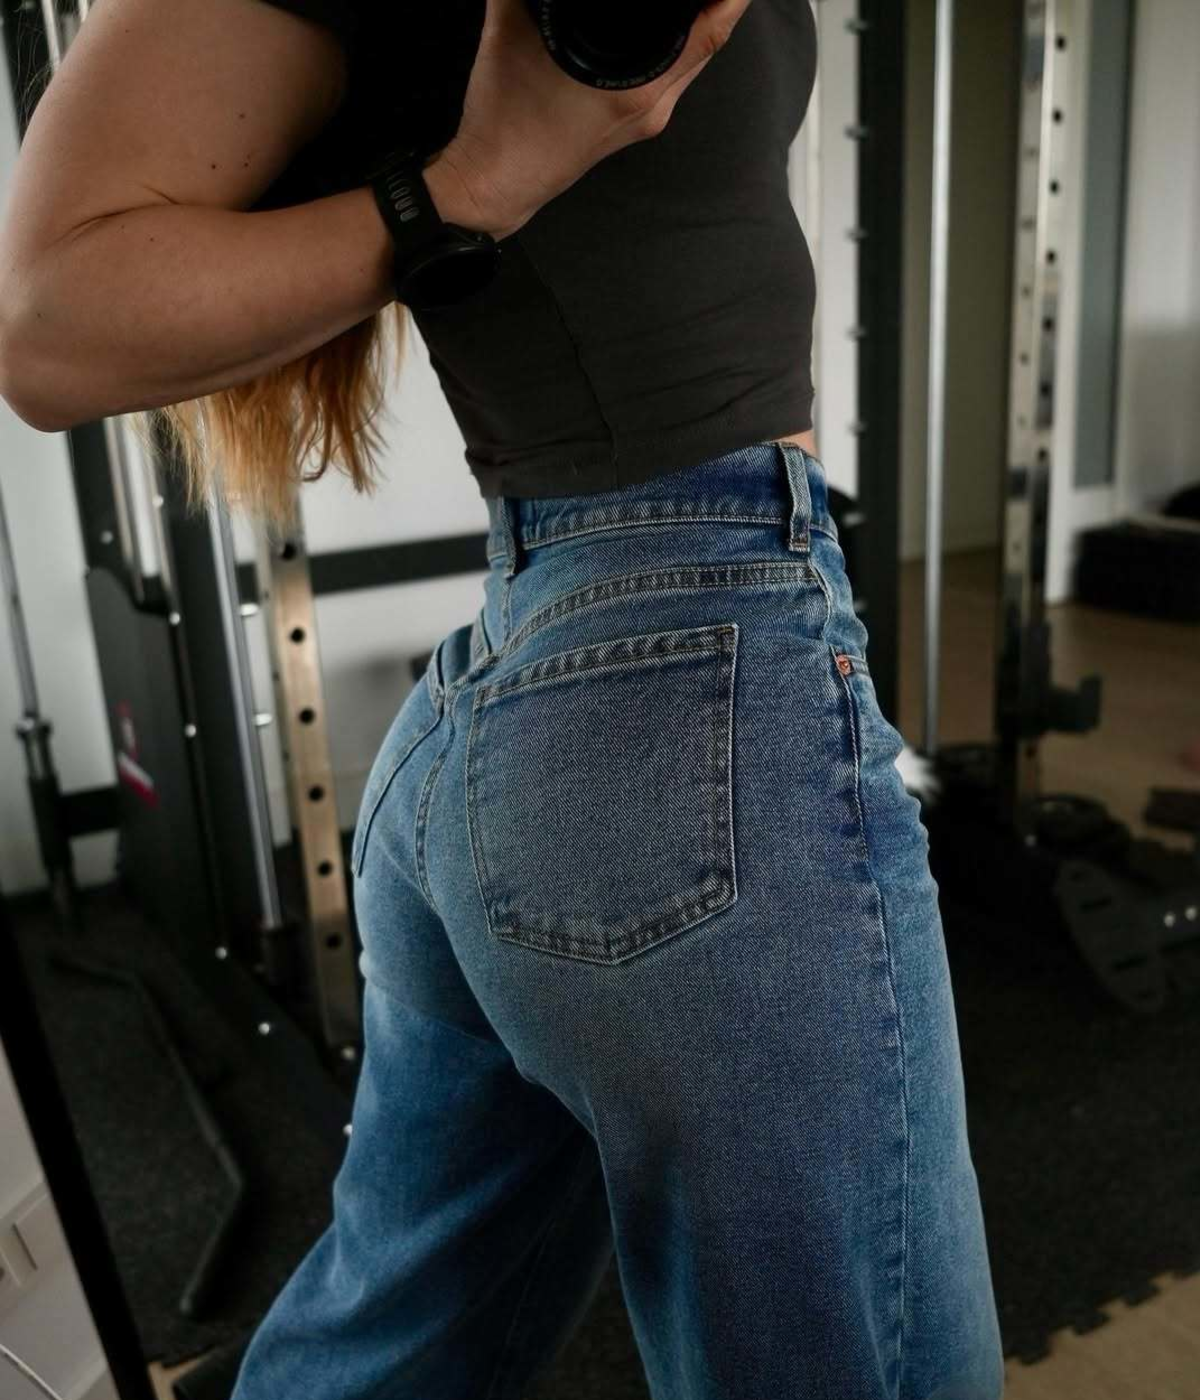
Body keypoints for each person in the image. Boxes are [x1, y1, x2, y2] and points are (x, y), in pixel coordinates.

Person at [0, 1, 1005, 1395]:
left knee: (391, 1343)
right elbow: (47, 324)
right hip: (689, 692)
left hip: (565, 690)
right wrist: (467, 189)